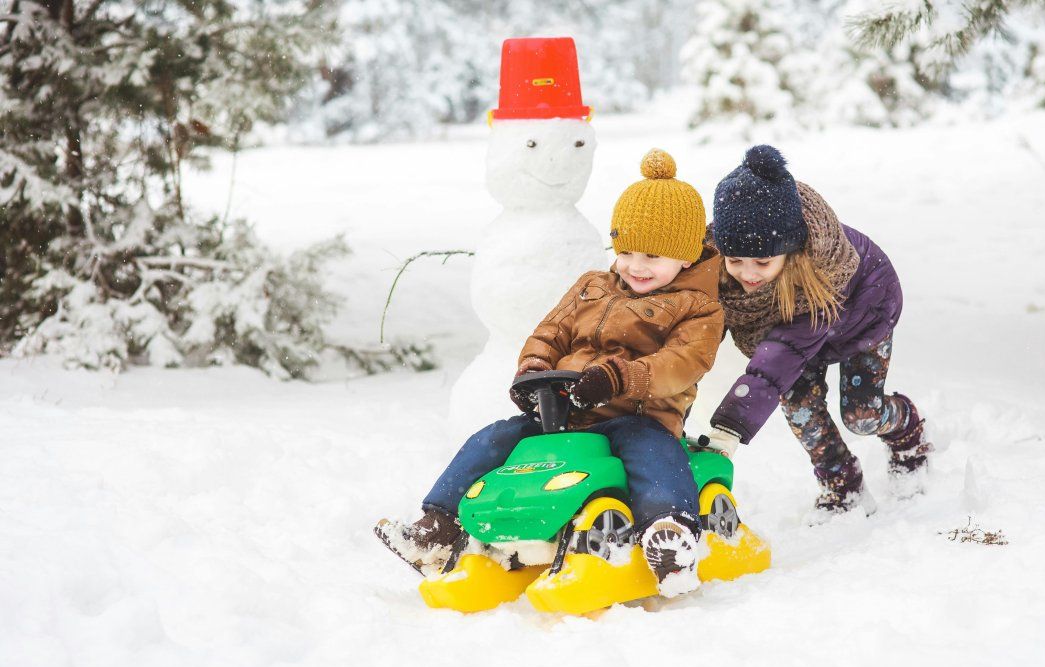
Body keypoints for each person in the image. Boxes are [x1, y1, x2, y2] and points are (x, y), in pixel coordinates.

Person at [377, 149, 724, 595]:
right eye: (627, 251)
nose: (637, 266)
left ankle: (670, 533)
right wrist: (534, 370)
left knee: (651, 454)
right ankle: (438, 527)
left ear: (686, 255)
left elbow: (681, 364)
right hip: (563, 411)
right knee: (494, 438)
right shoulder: (590, 286)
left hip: (638, 415)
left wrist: (621, 378)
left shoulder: (699, 309)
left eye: (653, 256)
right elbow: (551, 332)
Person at [697, 145, 935, 524]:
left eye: (762, 262)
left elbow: (778, 360)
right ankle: (843, 484)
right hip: (796, 335)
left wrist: (730, 427)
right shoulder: (721, 270)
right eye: (735, 260)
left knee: (862, 415)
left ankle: (907, 429)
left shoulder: (817, 276)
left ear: (789, 254)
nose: (748, 273)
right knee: (799, 404)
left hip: (862, 317)